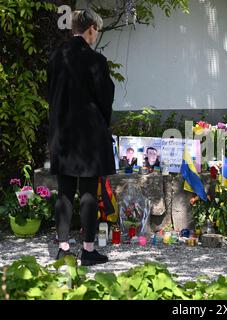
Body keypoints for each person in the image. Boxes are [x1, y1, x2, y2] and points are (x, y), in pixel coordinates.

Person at [48, 9, 115, 266]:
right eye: (96, 30)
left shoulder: (55, 57)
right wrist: (102, 125)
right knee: (88, 193)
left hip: (62, 134)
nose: (96, 35)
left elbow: (52, 95)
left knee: (64, 193)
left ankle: (64, 248)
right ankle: (88, 250)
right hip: (89, 137)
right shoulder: (96, 61)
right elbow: (105, 99)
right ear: (90, 28)